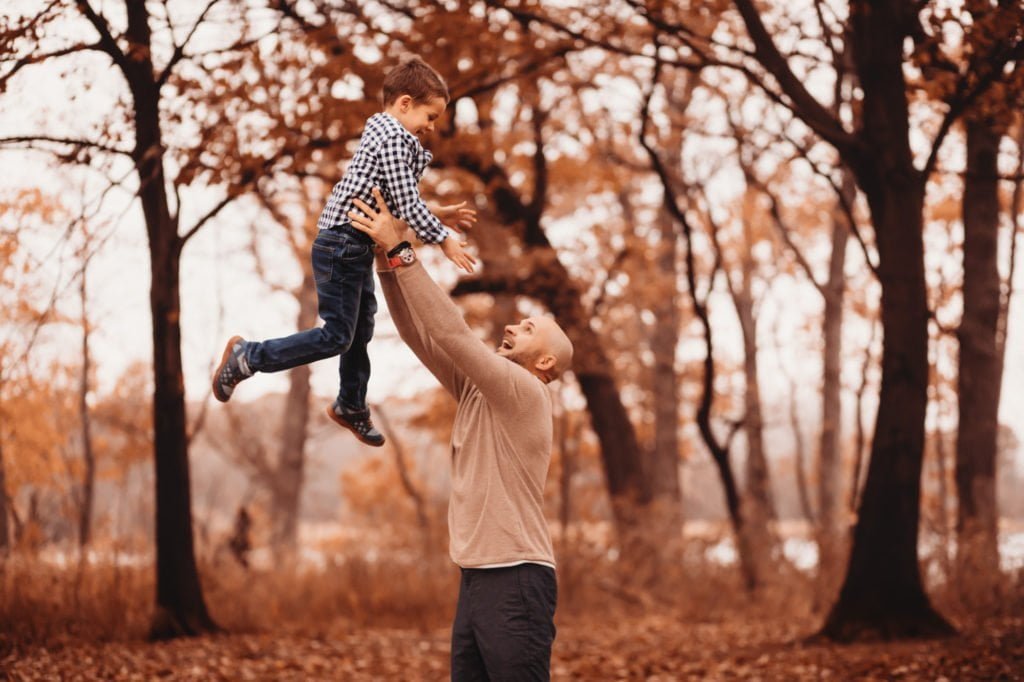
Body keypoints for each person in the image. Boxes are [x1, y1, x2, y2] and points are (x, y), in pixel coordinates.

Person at [347, 187, 573, 681]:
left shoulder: (525, 391)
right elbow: (421, 335)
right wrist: (386, 260)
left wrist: (401, 249)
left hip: (515, 578)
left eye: (527, 329)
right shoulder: (480, 391)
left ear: (545, 362)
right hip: (477, 578)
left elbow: (452, 332)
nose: (512, 327)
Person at [211, 55, 477, 447]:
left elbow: (393, 197)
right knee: (337, 336)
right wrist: (442, 237)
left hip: (350, 246)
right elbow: (405, 201)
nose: (432, 127)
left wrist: (436, 212)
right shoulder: (393, 138)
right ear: (405, 103)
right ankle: (249, 356)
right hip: (342, 244)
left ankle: (351, 403)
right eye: (430, 116)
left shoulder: (387, 136)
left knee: (360, 328)